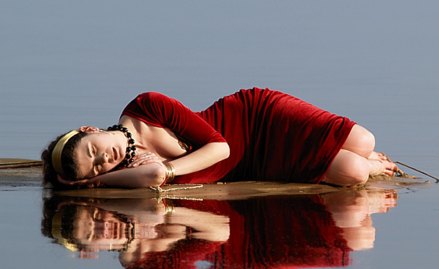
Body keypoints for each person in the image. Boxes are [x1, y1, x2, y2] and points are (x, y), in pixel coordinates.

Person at [41, 87, 398, 188]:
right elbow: (155, 176)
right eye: (98, 166)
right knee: (354, 172)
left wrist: (166, 168)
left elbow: (220, 147)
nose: (105, 158)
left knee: (364, 140)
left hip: (255, 117)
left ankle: (371, 157)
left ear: (91, 129)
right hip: (253, 163)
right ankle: (371, 165)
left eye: (94, 150)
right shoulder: (133, 169)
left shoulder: (146, 106)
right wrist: (98, 182)